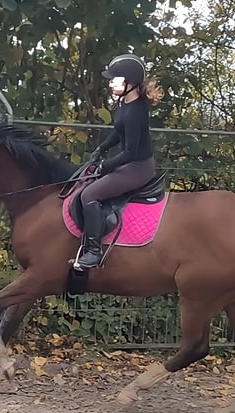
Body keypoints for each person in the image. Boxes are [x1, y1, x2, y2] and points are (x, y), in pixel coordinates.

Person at [75, 53, 164, 269]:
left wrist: (106, 166)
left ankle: (94, 252)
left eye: (115, 79)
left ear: (130, 83)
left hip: (138, 168)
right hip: (129, 164)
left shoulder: (136, 112)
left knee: (89, 194)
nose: (110, 82)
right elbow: (118, 133)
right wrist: (100, 149)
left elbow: (131, 152)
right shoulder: (125, 105)